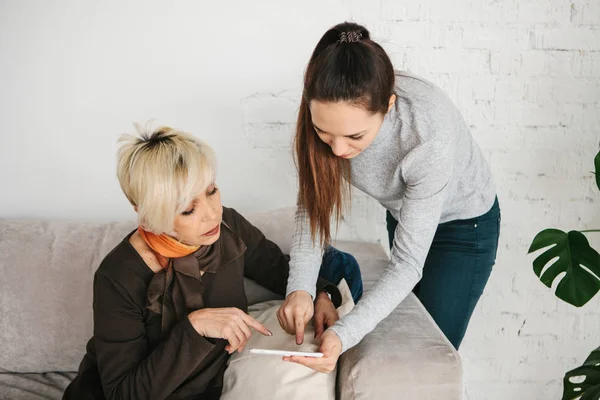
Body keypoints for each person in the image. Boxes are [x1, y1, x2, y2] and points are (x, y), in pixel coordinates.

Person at [63, 125, 361, 399]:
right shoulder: (118, 276)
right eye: (188, 209)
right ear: (146, 213)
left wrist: (319, 294)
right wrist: (195, 327)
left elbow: (280, 270)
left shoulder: (228, 226)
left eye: (212, 191)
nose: (211, 214)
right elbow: (123, 393)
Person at [277, 22, 501, 373]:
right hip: (403, 211)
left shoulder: (427, 135)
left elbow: (407, 265)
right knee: (395, 332)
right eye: (324, 132)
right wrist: (300, 289)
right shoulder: (323, 108)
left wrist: (344, 332)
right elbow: (313, 215)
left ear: (389, 107)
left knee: (424, 356)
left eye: (354, 135)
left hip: (464, 228)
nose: (336, 149)